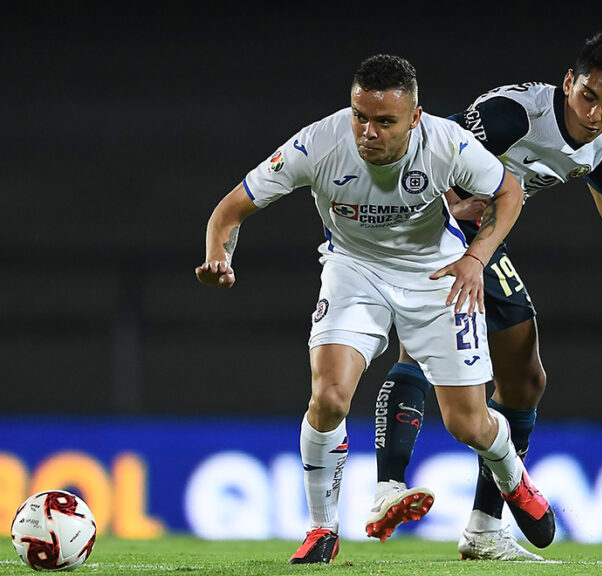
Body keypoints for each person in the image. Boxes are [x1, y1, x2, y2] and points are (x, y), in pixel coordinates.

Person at [195, 54, 555, 564]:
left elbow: (508, 190)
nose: (368, 132)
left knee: (468, 424)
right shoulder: (318, 143)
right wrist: (218, 256)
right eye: (360, 116)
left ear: (415, 118)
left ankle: (514, 480)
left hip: (435, 273)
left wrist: (477, 257)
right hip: (353, 270)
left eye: (385, 121)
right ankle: (322, 529)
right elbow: (230, 209)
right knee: (329, 397)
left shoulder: (446, 143)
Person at [367, 31, 602, 560]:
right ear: (569, 81)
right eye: (587, 97)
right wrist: (448, 208)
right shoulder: (512, 115)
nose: (594, 115)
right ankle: (393, 491)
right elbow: (426, 151)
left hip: (480, 236)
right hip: (431, 225)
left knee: (523, 378)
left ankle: (479, 526)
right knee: (426, 352)